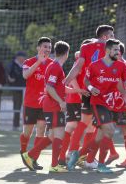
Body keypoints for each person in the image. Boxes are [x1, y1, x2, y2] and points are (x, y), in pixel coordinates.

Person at [22, 41, 86, 172]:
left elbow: (61, 88)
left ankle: (31, 156)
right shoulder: (55, 67)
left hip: (52, 105)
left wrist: (78, 91)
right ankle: (54, 165)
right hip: (53, 105)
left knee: (52, 136)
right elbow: (49, 87)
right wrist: (61, 102)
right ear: (67, 54)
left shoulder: (55, 66)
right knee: (59, 135)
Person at [64, 25, 114, 168]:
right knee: (101, 127)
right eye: (112, 35)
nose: (114, 38)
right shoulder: (111, 49)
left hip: (88, 90)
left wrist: (65, 81)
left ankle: (74, 153)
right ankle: (87, 157)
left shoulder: (85, 47)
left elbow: (77, 67)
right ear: (105, 37)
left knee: (87, 124)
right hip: (100, 92)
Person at [19, 37, 53, 170]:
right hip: (30, 103)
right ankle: (23, 151)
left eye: (49, 47)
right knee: (27, 132)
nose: (48, 49)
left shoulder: (52, 64)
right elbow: (25, 75)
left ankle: (33, 159)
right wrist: (39, 61)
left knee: (41, 130)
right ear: (38, 48)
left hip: (44, 104)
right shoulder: (29, 61)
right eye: (45, 46)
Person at [7, 51, 26, 130]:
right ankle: (16, 125)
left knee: (27, 107)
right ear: (18, 57)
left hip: (26, 88)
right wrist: (10, 80)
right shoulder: (12, 65)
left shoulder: (26, 64)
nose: (24, 58)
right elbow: (8, 75)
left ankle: (26, 125)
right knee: (17, 107)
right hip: (16, 89)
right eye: (22, 57)